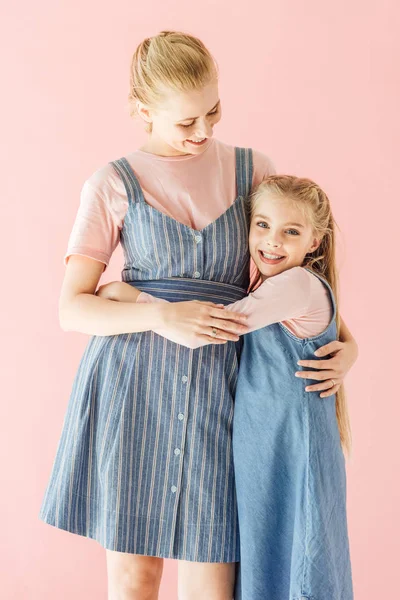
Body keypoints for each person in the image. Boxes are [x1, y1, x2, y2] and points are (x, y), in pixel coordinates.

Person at [39, 31, 357, 600]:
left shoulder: (252, 169)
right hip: (135, 390)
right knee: (135, 577)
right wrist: (160, 315)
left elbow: (291, 281)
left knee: (213, 581)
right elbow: (72, 309)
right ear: (141, 111)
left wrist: (348, 347)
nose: (204, 131)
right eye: (186, 122)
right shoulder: (111, 183)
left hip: (225, 395)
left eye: (213, 110)